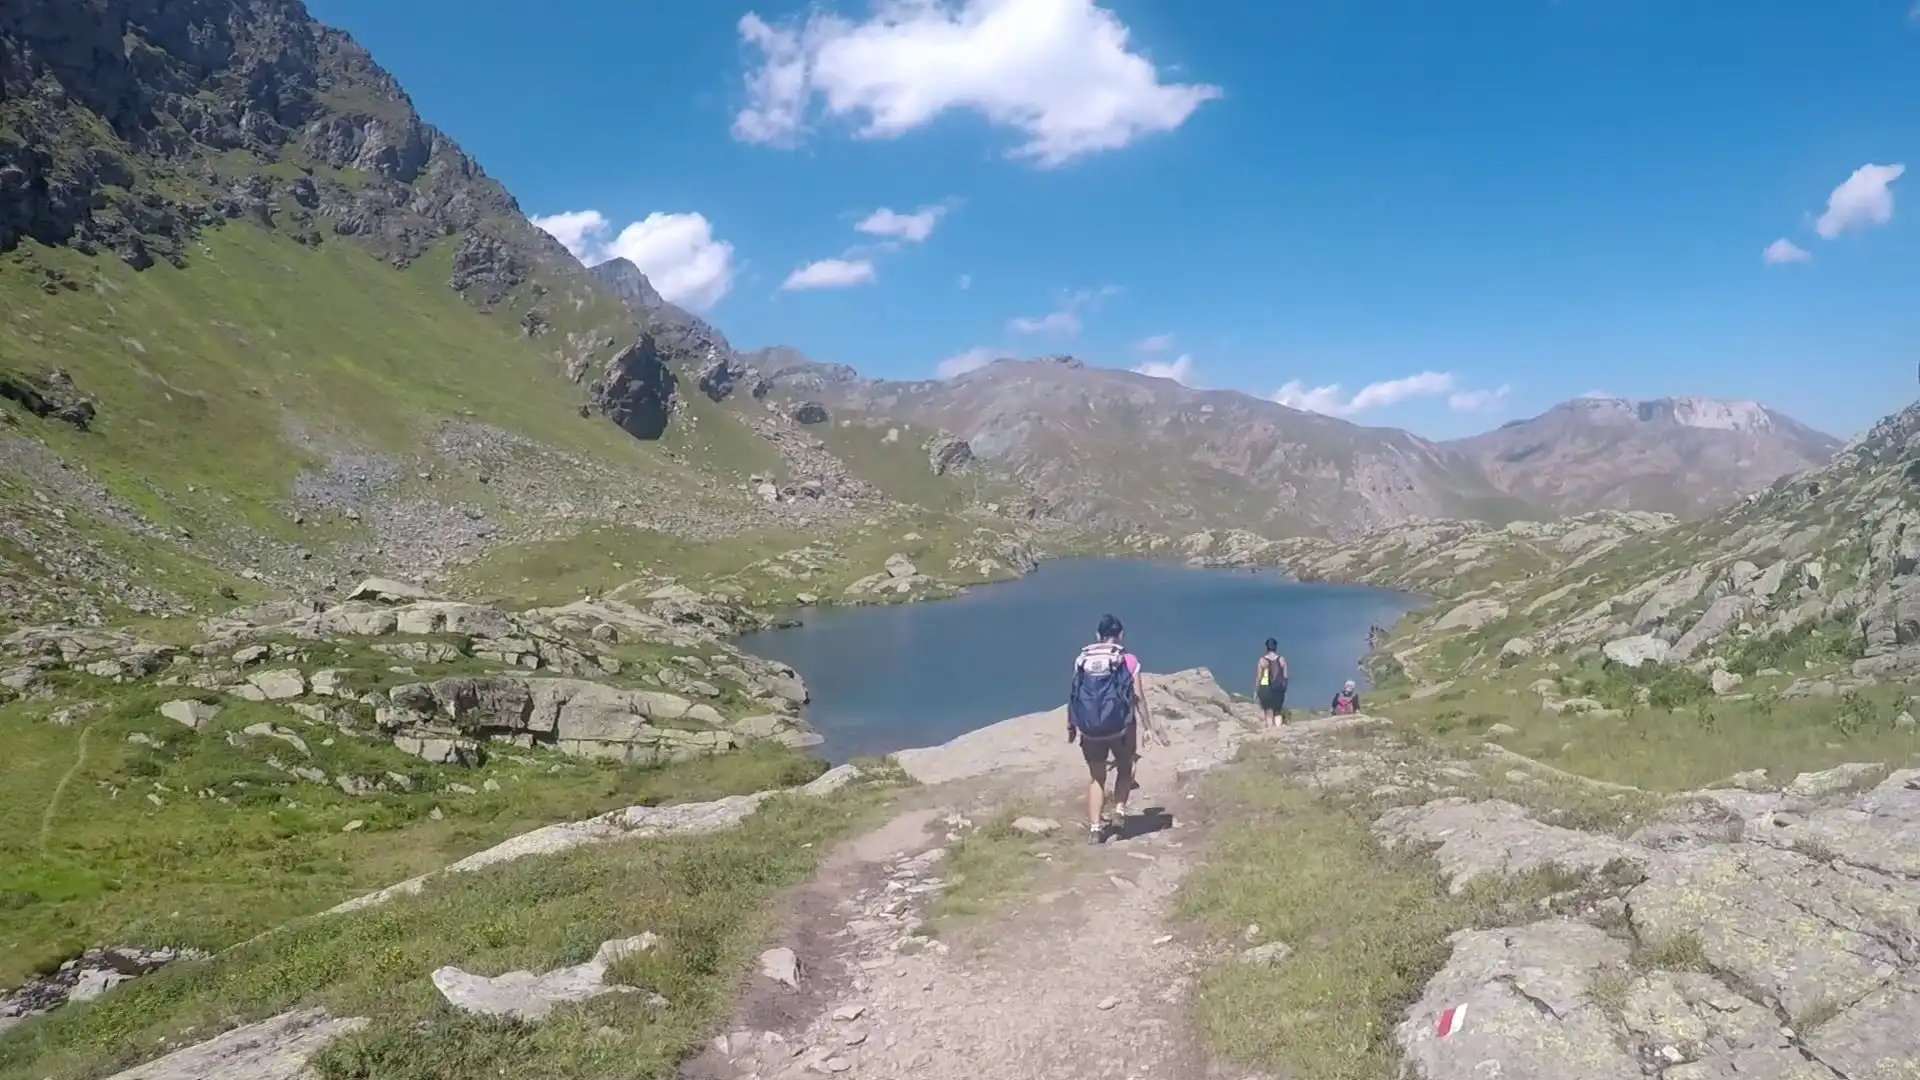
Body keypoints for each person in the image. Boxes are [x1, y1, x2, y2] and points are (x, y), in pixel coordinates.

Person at [1068, 614, 1163, 844]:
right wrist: (1148, 727)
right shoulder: (1128, 660)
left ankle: (1094, 829)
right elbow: (1138, 697)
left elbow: (1074, 694)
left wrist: (1071, 725)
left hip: (1090, 730)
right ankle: (1119, 810)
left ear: (1098, 636)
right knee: (1124, 767)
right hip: (1121, 728)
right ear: (1120, 635)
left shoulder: (1082, 659)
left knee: (1096, 778)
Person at [1254, 638, 1288, 726]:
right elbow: (1285, 676)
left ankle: (1270, 733)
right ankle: (1278, 731)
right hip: (1278, 688)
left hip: (1265, 689)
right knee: (1277, 712)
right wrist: (1284, 689)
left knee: (1268, 712)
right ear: (1275, 647)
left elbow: (1258, 677)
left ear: (1267, 647)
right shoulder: (1281, 660)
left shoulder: (1262, 661)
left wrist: (1256, 691)